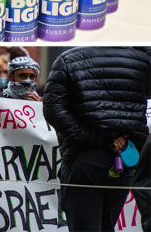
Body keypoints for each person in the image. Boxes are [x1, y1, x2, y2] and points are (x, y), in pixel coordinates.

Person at [43, 47, 151, 232]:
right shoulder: (142, 60)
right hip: (123, 156)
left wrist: (93, 139)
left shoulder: (67, 59)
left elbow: (54, 111)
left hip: (86, 159)